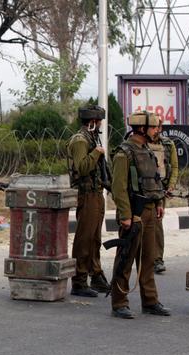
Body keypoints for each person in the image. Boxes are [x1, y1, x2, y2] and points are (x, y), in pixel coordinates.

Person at [109, 111, 171, 319]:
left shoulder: (148, 150)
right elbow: (118, 188)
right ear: (142, 129)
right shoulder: (124, 153)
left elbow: (155, 181)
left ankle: (150, 301)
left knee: (149, 259)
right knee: (125, 259)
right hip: (134, 214)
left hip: (150, 211)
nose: (157, 131)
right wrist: (126, 215)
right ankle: (119, 303)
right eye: (153, 128)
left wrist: (159, 203)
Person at [66, 105, 111, 297]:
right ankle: (79, 281)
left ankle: (96, 274)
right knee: (84, 239)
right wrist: (97, 153)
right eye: (99, 121)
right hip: (86, 194)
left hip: (96, 193)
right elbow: (82, 167)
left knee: (94, 239)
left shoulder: (91, 138)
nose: (100, 124)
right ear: (92, 122)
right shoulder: (80, 141)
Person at [148, 119, 179, 274]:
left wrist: (171, 185)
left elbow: (174, 166)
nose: (155, 129)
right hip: (143, 191)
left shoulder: (168, 144)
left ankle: (157, 260)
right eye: (152, 126)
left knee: (157, 225)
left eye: (157, 126)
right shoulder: (139, 143)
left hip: (160, 190)